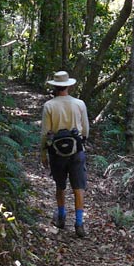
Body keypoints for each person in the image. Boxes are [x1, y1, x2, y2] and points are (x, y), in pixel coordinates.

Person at [40, 71, 89, 237]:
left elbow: (46, 133)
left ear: (54, 86)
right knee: (79, 188)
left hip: (57, 152)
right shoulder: (80, 104)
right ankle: (79, 223)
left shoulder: (49, 106)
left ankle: (61, 217)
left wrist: (43, 153)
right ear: (68, 85)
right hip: (77, 150)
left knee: (60, 185)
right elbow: (86, 130)